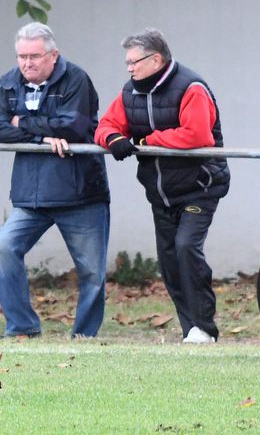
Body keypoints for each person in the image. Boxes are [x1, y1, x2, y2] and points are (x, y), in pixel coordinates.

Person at [95, 28, 230, 344]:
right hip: (161, 192)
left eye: (134, 62)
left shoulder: (190, 87)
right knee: (169, 261)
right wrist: (114, 140)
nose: (129, 68)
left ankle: (205, 327)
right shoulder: (131, 92)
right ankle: (190, 329)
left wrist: (145, 141)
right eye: (127, 62)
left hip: (201, 185)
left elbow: (197, 136)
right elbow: (105, 125)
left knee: (186, 247)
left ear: (156, 59)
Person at [0, 23, 109, 338]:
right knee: (4, 247)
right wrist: (42, 135)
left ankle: (84, 336)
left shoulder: (77, 79)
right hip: (31, 195)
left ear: (53, 56)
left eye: (35, 56)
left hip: (80, 193)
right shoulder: (10, 82)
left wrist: (23, 123)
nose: (27, 64)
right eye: (21, 56)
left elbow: (72, 127)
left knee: (92, 272)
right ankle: (22, 328)